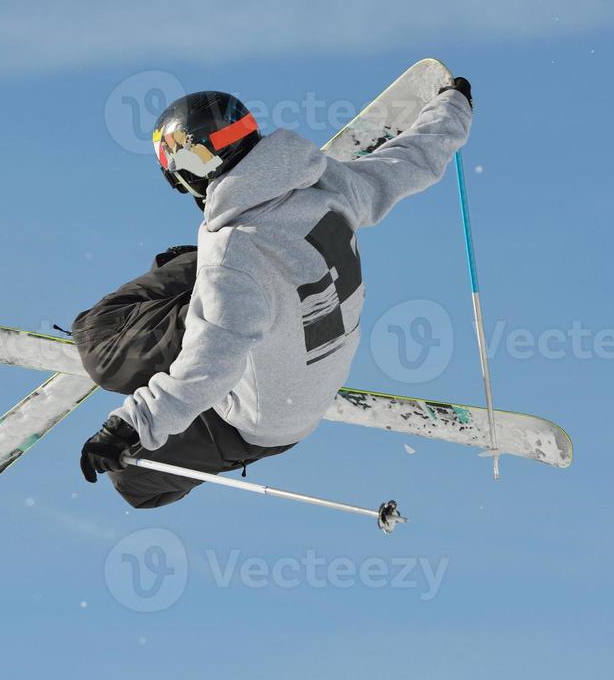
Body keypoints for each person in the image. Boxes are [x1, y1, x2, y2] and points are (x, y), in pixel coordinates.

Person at [75, 78, 473, 508]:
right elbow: (410, 160)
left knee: (100, 350)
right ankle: (193, 298)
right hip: (297, 401)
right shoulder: (331, 186)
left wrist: (131, 425)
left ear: (192, 173)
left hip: (252, 419)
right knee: (139, 472)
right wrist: (454, 108)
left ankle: (187, 283)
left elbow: (214, 362)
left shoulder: (234, 251)